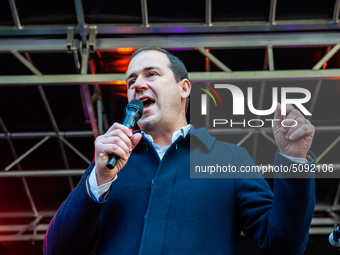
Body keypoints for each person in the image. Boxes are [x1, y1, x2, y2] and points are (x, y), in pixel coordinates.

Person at [43, 47, 316, 255]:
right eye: (130, 81)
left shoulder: (230, 159)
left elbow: (283, 246)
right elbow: (55, 250)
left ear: (184, 88)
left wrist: (293, 160)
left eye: (151, 74)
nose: (137, 85)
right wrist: (98, 182)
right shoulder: (109, 165)